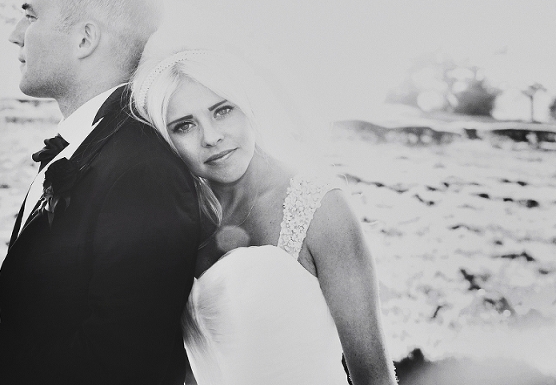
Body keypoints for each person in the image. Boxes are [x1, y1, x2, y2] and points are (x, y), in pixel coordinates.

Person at [0, 0, 201, 385]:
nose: (15, 34)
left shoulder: (141, 172)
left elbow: (120, 368)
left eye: (31, 16)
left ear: (85, 39)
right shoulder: (92, 145)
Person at [131, 44, 397, 385]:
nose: (211, 137)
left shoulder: (320, 207)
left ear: (249, 107)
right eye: (184, 126)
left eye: (223, 110)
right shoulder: (179, 225)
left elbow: (375, 379)